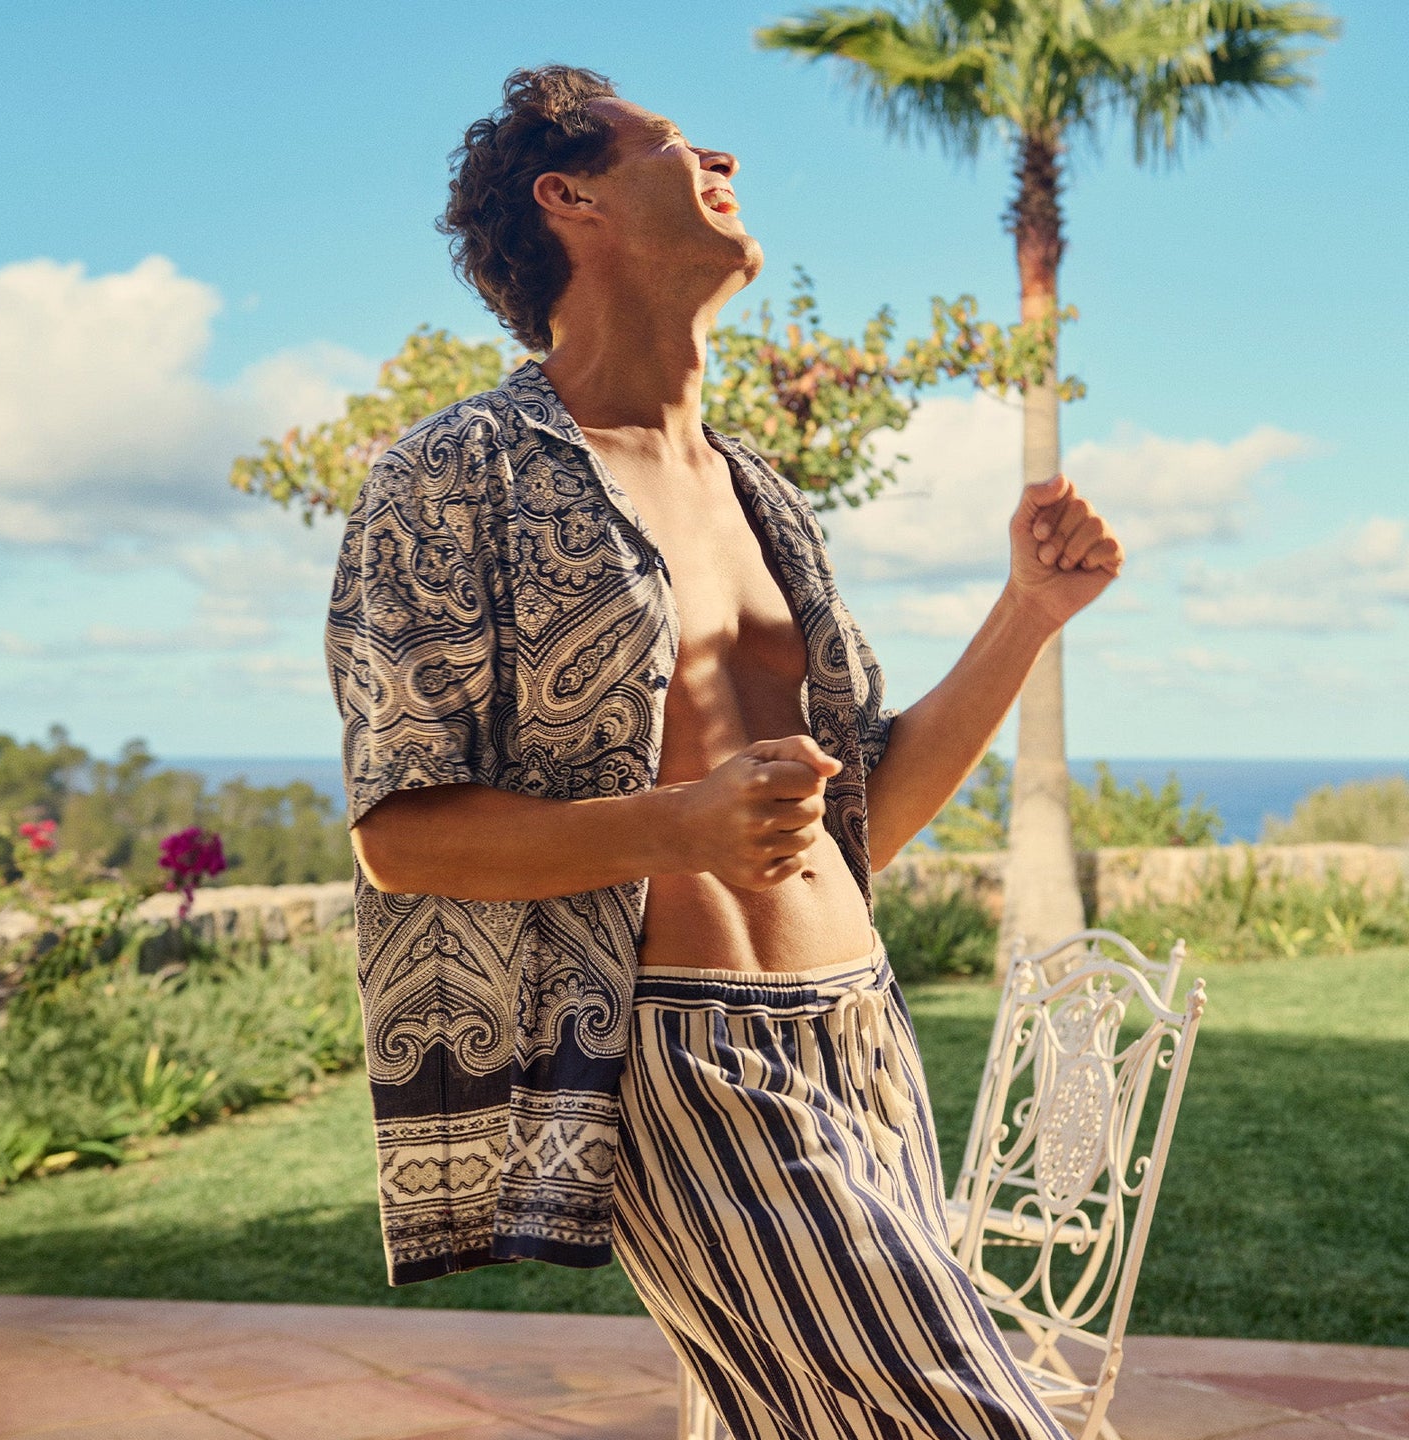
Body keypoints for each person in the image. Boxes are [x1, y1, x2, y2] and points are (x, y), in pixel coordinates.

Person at [326, 64, 1123, 1440]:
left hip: (860, 1028)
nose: (724, 156)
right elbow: (399, 835)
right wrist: (674, 826)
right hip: (686, 1058)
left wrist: (1028, 614)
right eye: (674, 143)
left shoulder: (764, 494)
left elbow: (860, 815)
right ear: (566, 197)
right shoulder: (456, 473)